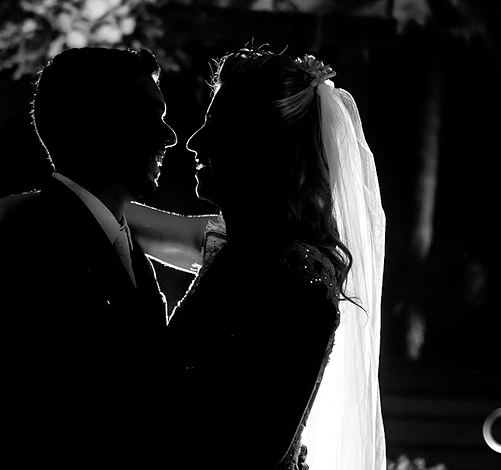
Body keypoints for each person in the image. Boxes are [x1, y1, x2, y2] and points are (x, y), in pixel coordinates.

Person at [127, 45, 387, 469]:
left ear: (258, 146)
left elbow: (253, 447)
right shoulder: (236, 245)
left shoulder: (296, 278)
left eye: (216, 127)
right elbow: (126, 218)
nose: (193, 142)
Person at [0, 47, 178, 469]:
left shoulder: (120, 239)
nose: (169, 136)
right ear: (97, 124)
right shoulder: (29, 247)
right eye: (150, 116)